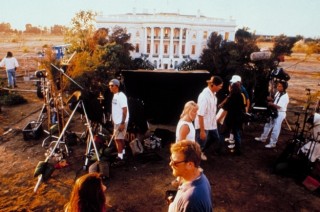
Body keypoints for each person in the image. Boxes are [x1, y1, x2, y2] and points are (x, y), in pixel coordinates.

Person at [168, 140, 212, 212]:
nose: (170, 164)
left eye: (175, 162)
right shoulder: (201, 177)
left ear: (190, 165)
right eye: (171, 159)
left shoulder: (191, 201)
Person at [195, 75, 223, 160]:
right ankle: (195, 158)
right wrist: (202, 131)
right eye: (220, 86)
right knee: (200, 142)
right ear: (213, 85)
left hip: (211, 124)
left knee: (215, 138)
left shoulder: (213, 95)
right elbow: (200, 114)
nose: (220, 88)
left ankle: (201, 151)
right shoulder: (204, 96)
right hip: (203, 124)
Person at [255, 81, 289, 148]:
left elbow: (279, 106)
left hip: (280, 113)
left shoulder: (285, 96)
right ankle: (263, 138)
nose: (278, 87)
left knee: (276, 128)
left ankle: (273, 143)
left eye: (280, 86)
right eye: (278, 86)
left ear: (284, 88)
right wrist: (272, 99)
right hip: (274, 111)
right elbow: (276, 100)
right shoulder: (278, 93)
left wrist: (271, 104)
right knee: (268, 124)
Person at [217, 82, 246, 155]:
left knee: (222, 133)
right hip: (238, 119)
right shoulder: (240, 96)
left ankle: (220, 150)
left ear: (231, 88)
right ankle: (238, 150)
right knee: (236, 134)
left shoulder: (230, 97)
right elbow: (243, 107)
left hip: (230, 119)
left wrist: (218, 119)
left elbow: (225, 109)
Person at [108, 78, 129, 166]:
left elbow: (125, 110)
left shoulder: (121, 96)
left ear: (117, 86)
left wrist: (122, 123)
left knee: (118, 140)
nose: (110, 87)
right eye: (109, 86)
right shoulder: (115, 95)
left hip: (121, 121)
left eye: (112, 86)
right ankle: (123, 153)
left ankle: (120, 158)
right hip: (117, 121)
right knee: (121, 139)